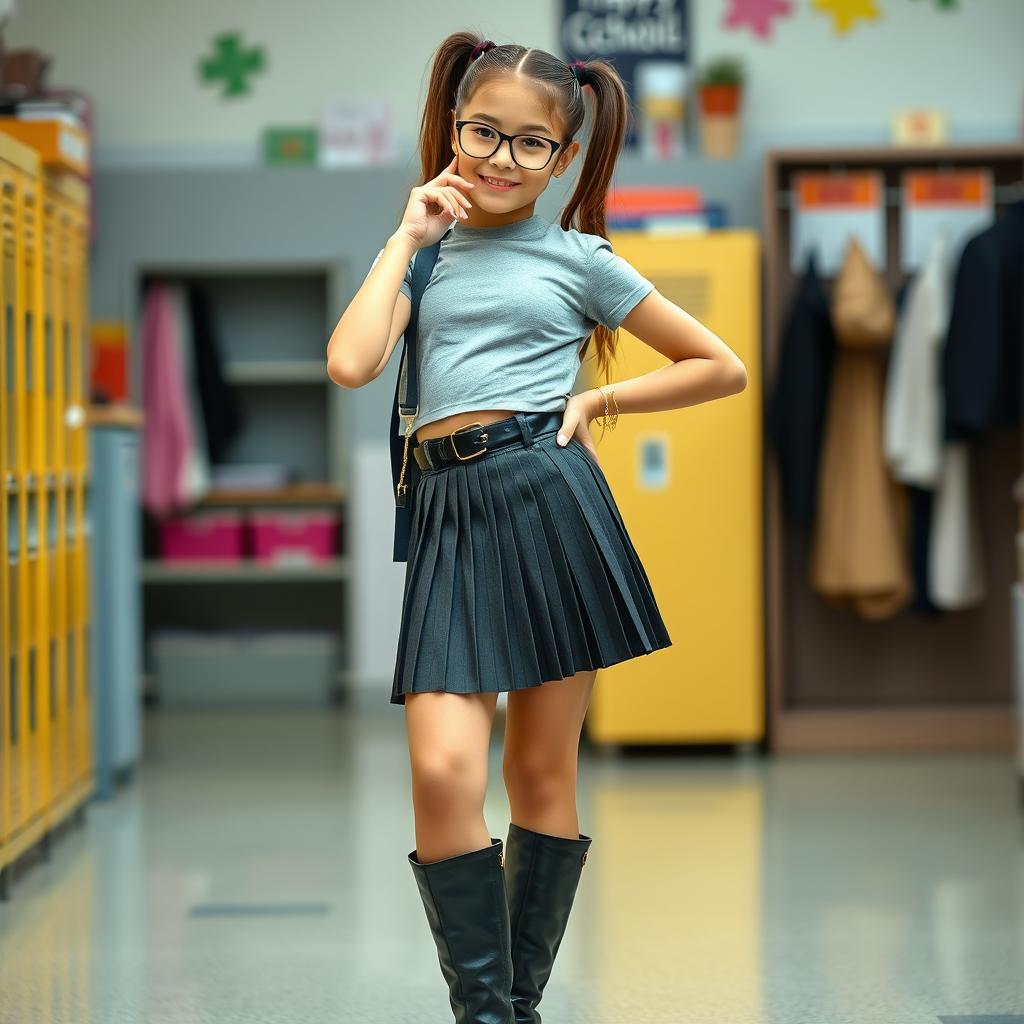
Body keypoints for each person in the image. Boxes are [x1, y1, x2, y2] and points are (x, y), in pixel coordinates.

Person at [327, 32, 747, 1024]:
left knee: (539, 768)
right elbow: (350, 363)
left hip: (549, 501)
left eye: (529, 145)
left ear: (561, 159)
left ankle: (500, 1013)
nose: (501, 159)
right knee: (441, 768)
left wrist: (602, 405)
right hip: (446, 514)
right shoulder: (420, 264)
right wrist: (403, 236)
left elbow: (717, 365)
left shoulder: (580, 259)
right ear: (451, 130)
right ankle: (495, 1009)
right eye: (484, 133)